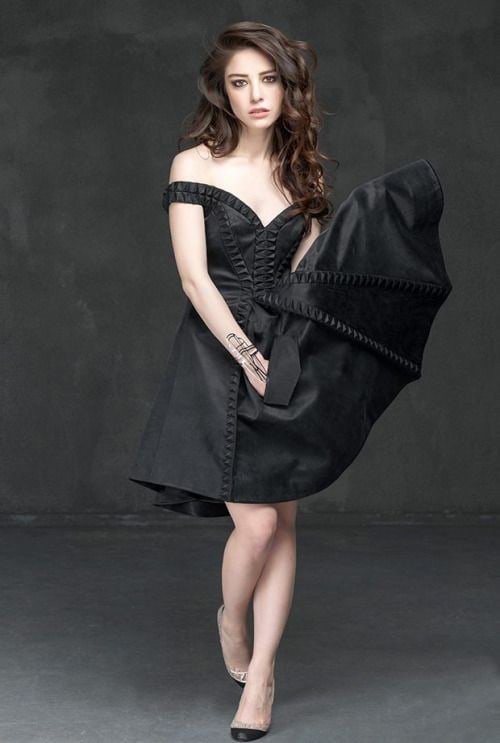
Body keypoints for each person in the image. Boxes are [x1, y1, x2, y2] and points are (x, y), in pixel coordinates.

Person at [129, 21, 452, 741]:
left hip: (287, 350)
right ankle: (231, 618)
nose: (256, 95)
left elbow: (307, 278)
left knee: (283, 520)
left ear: (287, 87)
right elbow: (193, 278)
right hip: (218, 350)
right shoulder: (193, 164)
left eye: (268, 80)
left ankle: (262, 677)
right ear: (222, 92)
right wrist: (248, 354)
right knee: (257, 523)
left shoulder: (301, 175)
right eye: (240, 82)